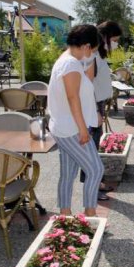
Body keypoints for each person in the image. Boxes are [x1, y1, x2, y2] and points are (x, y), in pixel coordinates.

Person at [48, 24, 104, 217]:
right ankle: (90, 214)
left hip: (62, 126)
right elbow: (73, 98)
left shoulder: (66, 60)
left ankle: (65, 215)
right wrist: (83, 129)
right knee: (96, 169)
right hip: (71, 129)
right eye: (93, 50)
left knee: (68, 174)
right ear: (86, 46)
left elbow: (81, 89)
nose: (93, 55)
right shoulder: (70, 64)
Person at [79, 20, 123, 201]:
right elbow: (87, 84)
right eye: (114, 39)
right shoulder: (93, 56)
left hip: (98, 103)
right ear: (105, 37)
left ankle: (96, 182)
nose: (116, 43)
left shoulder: (99, 54)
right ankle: (92, 188)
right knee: (91, 148)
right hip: (93, 105)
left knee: (94, 146)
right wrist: (95, 111)